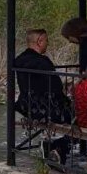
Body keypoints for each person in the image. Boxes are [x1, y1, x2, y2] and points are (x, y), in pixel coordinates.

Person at [14, 29, 73, 163]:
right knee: (80, 116)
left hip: (26, 107)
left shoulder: (18, 60)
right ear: (39, 41)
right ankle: (58, 146)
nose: (48, 43)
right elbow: (56, 87)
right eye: (46, 40)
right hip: (46, 109)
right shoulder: (43, 62)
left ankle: (53, 146)